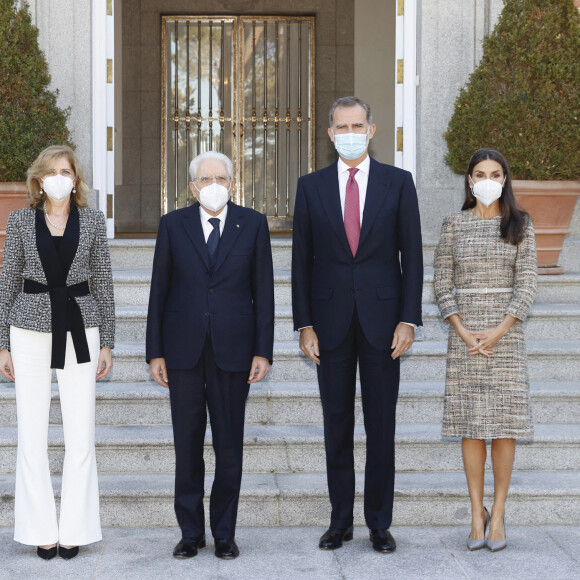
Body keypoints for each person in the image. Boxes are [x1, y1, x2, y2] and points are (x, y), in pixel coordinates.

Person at [292, 96, 423, 553]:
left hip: (385, 324)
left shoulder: (399, 183)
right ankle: (340, 521)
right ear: (330, 133)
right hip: (328, 324)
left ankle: (379, 524)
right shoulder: (309, 187)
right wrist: (304, 324)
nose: (349, 132)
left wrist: (409, 318)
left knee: (381, 426)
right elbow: (301, 261)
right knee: (336, 425)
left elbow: (413, 255)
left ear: (372, 129)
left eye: (358, 124)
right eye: (341, 125)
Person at [146, 151, 274, 560]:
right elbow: (158, 293)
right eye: (205, 178)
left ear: (233, 183)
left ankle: (224, 533)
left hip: (234, 350)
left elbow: (265, 294)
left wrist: (263, 351)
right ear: (192, 186)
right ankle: (190, 533)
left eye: (221, 177)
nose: (213, 184)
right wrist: (155, 353)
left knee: (229, 446)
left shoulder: (252, 224)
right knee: (187, 446)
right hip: (182, 350)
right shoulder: (172, 225)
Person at [0, 145, 115, 560]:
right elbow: (7, 281)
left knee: (79, 433)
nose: (59, 177)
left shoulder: (92, 221)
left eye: (65, 170)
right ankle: (40, 531)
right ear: (38, 179)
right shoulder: (19, 221)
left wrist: (108, 341)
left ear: (75, 178)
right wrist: (2, 344)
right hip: (27, 330)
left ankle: (75, 530)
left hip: (81, 329)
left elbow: (102, 282)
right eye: (51, 171)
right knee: (31, 432)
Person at [433, 148, 537, 552]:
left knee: (505, 427)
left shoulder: (521, 225)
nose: (488, 179)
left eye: (496, 173)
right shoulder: (453, 225)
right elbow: (442, 282)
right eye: (480, 173)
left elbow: (527, 285)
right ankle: (477, 514)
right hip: (465, 338)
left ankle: (499, 511)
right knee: (470, 426)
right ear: (470, 180)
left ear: (505, 179)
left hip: (505, 337)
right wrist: (462, 330)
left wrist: (498, 330)